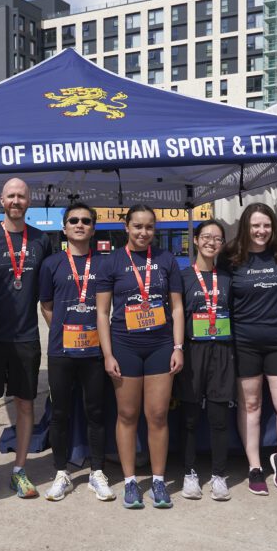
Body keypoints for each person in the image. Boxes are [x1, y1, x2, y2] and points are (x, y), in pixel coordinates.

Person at [96, 204, 184, 509]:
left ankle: (158, 481)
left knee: (157, 415)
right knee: (127, 415)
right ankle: (131, 482)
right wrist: (107, 354)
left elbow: (177, 308)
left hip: (160, 345)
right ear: (126, 228)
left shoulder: (166, 259)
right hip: (125, 346)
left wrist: (178, 347)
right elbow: (102, 312)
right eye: (137, 226)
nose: (143, 232)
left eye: (148, 227)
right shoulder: (112, 262)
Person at [0, 178, 54, 501]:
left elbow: (48, 292)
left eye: (21, 196)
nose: (16, 200)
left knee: (24, 404)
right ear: (1, 200)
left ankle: (20, 470)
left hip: (26, 337)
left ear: (29, 200)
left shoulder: (42, 240)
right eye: (11, 196)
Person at [222, 202, 277, 496]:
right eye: (255, 225)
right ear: (245, 227)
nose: (261, 231)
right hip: (244, 342)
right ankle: (254, 466)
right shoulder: (230, 257)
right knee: (251, 406)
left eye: (266, 225)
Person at [38, 203, 115, 502]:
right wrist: (62, 327)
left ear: (94, 228)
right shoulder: (51, 264)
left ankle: (97, 472)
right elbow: (46, 305)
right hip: (61, 351)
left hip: (95, 351)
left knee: (95, 411)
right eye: (74, 220)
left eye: (86, 220)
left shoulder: (104, 264)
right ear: (65, 227)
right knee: (60, 413)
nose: (80, 224)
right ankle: (61, 473)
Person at [177, 219, 236, 502]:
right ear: (196, 241)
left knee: (219, 418)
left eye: (218, 238)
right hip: (192, 352)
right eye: (207, 237)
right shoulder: (183, 276)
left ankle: (218, 475)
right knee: (189, 418)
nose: (212, 242)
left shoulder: (228, 277)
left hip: (222, 351)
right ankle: (189, 473)